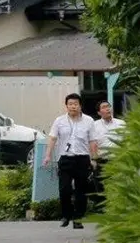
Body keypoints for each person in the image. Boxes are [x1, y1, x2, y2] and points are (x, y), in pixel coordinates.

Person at [42, 93, 99, 229]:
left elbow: (92, 141)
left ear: (80, 106)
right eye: (70, 104)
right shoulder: (59, 121)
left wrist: (94, 158)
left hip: (82, 159)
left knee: (81, 190)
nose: (73, 106)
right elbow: (52, 138)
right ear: (66, 106)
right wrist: (48, 155)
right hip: (65, 159)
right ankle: (66, 215)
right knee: (64, 189)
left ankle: (78, 218)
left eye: (75, 104)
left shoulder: (89, 121)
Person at [90, 100, 125, 207]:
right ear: (99, 112)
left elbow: (127, 141)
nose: (108, 109)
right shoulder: (94, 125)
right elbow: (92, 143)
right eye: (104, 107)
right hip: (101, 161)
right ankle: (104, 210)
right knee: (101, 187)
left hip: (118, 160)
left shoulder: (121, 123)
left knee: (118, 185)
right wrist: (93, 159)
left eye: (108, 106)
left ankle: (117, 208)